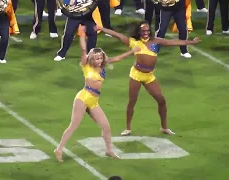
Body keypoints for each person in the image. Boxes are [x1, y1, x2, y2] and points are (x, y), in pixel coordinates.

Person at [97, 21, 201, 136]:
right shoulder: (133, 42)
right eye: (143, 31)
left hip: (149, 76)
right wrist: (101, 28)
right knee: (132, 101)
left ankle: (164, 127)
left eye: (147, 30)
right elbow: (117, 35)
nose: (146, 33)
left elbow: (172, 42)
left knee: (161, 100)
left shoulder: (155, 41)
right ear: (139, 32)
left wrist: (190, 42)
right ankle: (128, 128)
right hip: (136, 74)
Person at [54, 25, 140, 162]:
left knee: (106, 126)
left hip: (94, 101)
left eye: (100, 58)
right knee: (74, 125)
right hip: (83, 98)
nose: (98, 60)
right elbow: (83, 49)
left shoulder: (103, 67)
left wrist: (132, 51)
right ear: (91, 59)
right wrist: (81, 34)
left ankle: (109, 150)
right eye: (96, 58)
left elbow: (118, 58)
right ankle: (59, 149)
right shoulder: (86, 65)